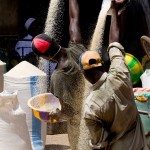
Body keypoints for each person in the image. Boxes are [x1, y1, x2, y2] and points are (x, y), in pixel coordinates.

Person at [78, 1, 149, 150]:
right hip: (140, 144)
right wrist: (115, 10)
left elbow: (99, 143)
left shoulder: (91, 107)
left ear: (84, 73)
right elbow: (114, 42)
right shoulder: (121, 74)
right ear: (103, 65)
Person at [32, 0, 86, 149]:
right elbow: (74, 17)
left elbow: (69, 111)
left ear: (44, 57)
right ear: (54, 40)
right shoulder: (76, 46)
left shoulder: (58, 77)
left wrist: (54, 115)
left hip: (81, 126)